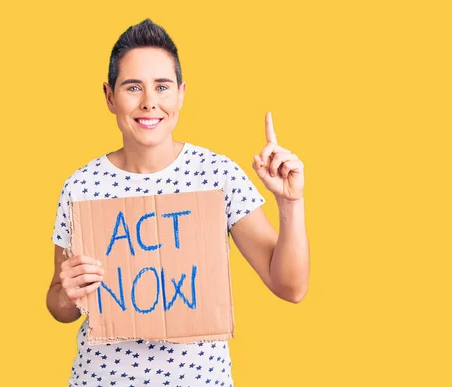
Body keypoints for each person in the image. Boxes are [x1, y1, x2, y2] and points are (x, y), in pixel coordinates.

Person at [46, 18, 310, 387]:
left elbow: (291, 287)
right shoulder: (82, 187)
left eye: (162, 87)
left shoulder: (217, 176)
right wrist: (67, 292)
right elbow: (60, 308)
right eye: (133, 87)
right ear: (109, 96)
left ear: (181, 94)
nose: (149, 103)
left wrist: (290, 204)